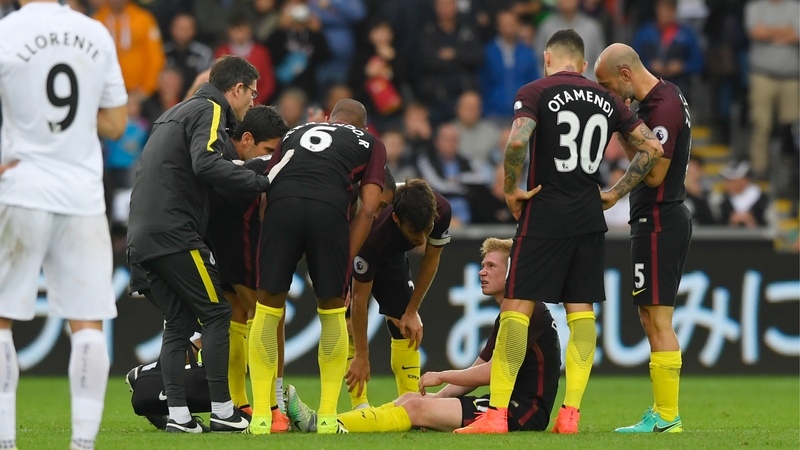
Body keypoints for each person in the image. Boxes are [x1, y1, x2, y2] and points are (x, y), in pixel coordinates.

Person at [456, 29, 663, 435]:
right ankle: (570, 415)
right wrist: (615, 192)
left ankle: (495, 414)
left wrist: (511, 188)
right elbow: (651, 147)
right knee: (581, 312)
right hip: (588, 213)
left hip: (545, 210)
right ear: (584, 66)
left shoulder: (534, 90)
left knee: (517, 308)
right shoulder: (608, 99)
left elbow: (517, 143)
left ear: (547, 58)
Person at [127, 55, 292, 434]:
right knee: (218, 314)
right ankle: (223, 409)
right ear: (235, 89)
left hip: (143, 233)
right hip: (174, 231)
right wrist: (262, 180)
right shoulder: (210, 108)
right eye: (250, 94)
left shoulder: (175, 112)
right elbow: (205, 164)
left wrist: (245, 170)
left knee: (180, 324)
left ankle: (181, 419)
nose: (252, 102)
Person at [0, 1, 128, 449]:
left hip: (21, 188)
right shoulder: (94, 33)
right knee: (88, 324)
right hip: (82, 195)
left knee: (1, 322)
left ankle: (5, 442)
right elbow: (115, 124)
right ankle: (82, 445)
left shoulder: (8, 32)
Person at [287, 238, 561, 434]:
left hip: (523, 413)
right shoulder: (511, 313)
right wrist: (438, 397)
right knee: (411, 401)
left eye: (490, 266)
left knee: (416, 410)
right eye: (482, 264)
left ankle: (332, 427)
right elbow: (479, 368)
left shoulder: (529, 311)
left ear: (511, 271)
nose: (482, 271)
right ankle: (331, 422)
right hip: (503, 404)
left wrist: (441, 375)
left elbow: (494, 372)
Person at [248, 99, 388, 434]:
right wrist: (345, 258)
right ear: (362, 128)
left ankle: (260, 419)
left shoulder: (295, 131)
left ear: (328, 119)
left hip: (282, 206)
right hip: (329, 210)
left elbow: (266, 191)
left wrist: (275, 235)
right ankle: (327, 417)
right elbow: (369, 207)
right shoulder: (371, 143)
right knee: (331, 311)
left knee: (266, 309)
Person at [594, 43, 693, 433]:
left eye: (607, 85)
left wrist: (615, 193)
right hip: (654, 219)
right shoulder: (660, 100)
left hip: (660, 218)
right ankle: (662, 411)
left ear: (624, 74)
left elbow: (653, 174)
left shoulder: (663, 106)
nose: (607, 94)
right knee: (651, 315)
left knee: (658, 319)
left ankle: (668, 416)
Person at [203, 105, 290, 431]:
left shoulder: (217, 148)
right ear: (248, 138)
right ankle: (272, 404)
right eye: (269, 150)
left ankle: (240, 402)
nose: (271, 157)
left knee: (237, 314)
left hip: (215, 231)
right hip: (238, 228)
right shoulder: (248, 165)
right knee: (267, 314)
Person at [346, 180, 452, 409]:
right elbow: (359, 302)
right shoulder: (372, 233)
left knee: (407, 327)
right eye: (415, 232)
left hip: (391, 253)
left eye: (428, 230)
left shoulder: (441, 210)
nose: (423, 239)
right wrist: (363, 356)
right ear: (396, 219)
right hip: (349, 246)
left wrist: (411, 310)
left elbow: (431, 259)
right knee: (349, 326)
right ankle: (359, 405)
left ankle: (411, 404)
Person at [744, 0, 800, 179]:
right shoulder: (754, 7)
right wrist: (785, 32)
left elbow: (797, 35)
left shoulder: (796, 7)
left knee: (792, 128)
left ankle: (791, 171)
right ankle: (759, 169)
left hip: (791, 77)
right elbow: (755, 32)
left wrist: (769, 32)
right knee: (761, 124)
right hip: (762, 76)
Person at [630, 0, 703, 102]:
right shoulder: (644, 33)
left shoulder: (686, 35)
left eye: (669, 9)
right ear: (657, 9)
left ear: (674, 11)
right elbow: (631, 62)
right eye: (662, 9)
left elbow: (698, 63)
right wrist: (650, 65)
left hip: (679, 91)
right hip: (649, 93)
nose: (665, 13)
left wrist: (682, 66)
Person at [94, 0, 165, 98]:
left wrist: (145, 90)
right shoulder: (97, 20)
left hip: (139, 93)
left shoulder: (143, 18)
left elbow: (155, 56)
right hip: (105, 93)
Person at [480, 10, 541, 120]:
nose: (508, 28)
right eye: (504, 25)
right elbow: (483, 83)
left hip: (522, 114)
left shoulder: (527, 52)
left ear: (518, 25)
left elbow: (535, 83)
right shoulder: (488, 52)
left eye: (511, 24)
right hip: (493, 115)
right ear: (498, 26)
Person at [535, 0, 606, 82]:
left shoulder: (592, 28)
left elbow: (600, 63)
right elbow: (538, 61)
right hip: (553, 86)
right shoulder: (546, 27)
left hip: (586, 86)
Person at [215, 14, 276, 105]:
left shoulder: (261, 52)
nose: (240, 34)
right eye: (236, 30)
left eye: (243, 30)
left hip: (257, 105)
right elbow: (217, 82)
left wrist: (253, 103)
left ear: (250, 30)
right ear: (229, 32)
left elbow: (268, 83)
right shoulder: (221, 52)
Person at [164, 13, 214, 98]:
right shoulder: (163, 53)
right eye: (180, 28)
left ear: (194, 30)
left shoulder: (204, 54)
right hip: (166, 103)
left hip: (196, 100)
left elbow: (210, 81)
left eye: (187, 28)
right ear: (172, 29)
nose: (183, 32)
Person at [718, 161, 769, 227]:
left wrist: (752, 222)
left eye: (731, 180)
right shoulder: (722, 201)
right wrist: (731, 222)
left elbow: (772, 226)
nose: (726, 184)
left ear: (745, 180)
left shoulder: (764, 200)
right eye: (726, 180)